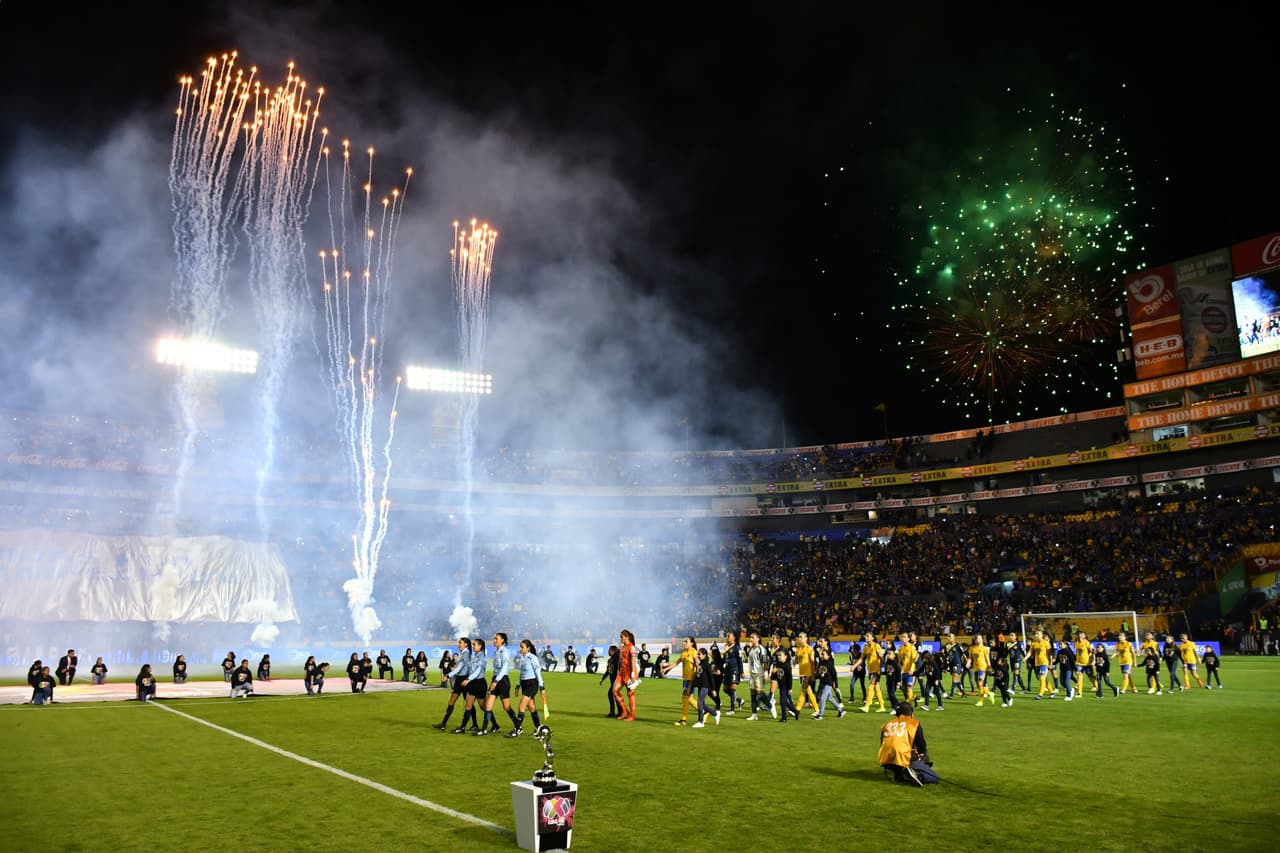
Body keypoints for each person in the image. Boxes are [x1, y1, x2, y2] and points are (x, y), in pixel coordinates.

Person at [877, 702, 937, 786]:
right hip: (903, 757)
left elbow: (882, 742)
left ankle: (898, 773)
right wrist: (921, 755)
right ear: (911, 713)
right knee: (933, 777)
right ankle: (915, 773)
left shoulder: (887, 724)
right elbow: (921, 745)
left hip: (886, 759)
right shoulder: (913, 723)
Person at [477, 632, 520, 736]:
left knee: (506, 706)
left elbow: (505, 667)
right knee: (488, 706)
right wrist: (494, 680)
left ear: (503, 640)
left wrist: (495, 681)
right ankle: (484, 729)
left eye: (496, 639)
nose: (494, 640)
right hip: (495, 679)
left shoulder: (505, 651)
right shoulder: (496, 652)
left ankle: (518, 726)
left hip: (502, 681)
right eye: (494, 638)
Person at [507, 639, 545, 738]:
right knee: (531, 707)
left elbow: (538, 673)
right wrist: (517, 686)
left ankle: (517, 729)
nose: (520, 649)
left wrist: (542, 687)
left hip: (532, 684)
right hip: (524, 684)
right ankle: (538, 729)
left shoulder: (533, 658)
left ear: (528, 648)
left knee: (521, 707)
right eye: (520, 646)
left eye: (522, 647)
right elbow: (521, 673)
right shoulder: (523, 658)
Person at [451, 637, 488, 733]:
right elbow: (470, 670)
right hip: (473, 683)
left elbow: (477, 671)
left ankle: (495, 725)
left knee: (484, 707)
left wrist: (467, 679)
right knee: (468, 706)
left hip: (479, 683)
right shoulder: (474, 657)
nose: (473, 646)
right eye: (473, 644)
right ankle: (462, 728)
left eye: (475, 644)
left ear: (480, 646)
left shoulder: (482, 658)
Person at [433, 637, 471, 730]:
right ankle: (443, 724)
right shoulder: (464, 653)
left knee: (468, 704)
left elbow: (462, 667)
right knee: (459, 702)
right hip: (460, 679)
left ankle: (445, 724)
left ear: (466, 644)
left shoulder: (466, 653)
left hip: (463, 680)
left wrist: (448, 675)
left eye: (460, 643)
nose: (458, 644)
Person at [613, 628, 640, 721]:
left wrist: (633, 675)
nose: (620, 639)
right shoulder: (622, 647)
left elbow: (633, 661)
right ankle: (624, 711)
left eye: (622, 637)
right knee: (615, 690)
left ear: (627, 637)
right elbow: (621, 662)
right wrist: (618, 672)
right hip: (622, 672)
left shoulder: (631, 647)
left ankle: (632, 715)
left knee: (630, 693)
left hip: (629, 673)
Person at [856, 631, 887, 713]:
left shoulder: (876, 646)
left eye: (868, 636)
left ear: (872, 638)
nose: (866, 637)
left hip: (876, 670)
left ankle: (867, 706)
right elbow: (862, 659)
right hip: (870, 670)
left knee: (871, 686)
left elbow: (881, 657)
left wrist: (882, 667)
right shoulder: (866, 647)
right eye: (866, 636)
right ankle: (882, 706)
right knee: (876, 688)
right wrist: (855, 666)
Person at [690, 647, 720, 728]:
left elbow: (711, 677)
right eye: (698, 654)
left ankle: (700, 722)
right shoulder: (700, 664)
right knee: (702, 704)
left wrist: (713, 689)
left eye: (699, 654)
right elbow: (699, 675)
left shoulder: (706, 664)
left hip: (705, 686)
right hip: (700, 686)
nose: (698, 655)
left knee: (699, 703)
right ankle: (715, 713)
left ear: (704, 655)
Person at [812, 646, 845, 720]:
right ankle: (840, 710)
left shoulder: (830, 664)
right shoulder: (821, 662)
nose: (822, 655)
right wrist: (815, 677)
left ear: (828, 656)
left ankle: (820, 715)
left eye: (824, 654)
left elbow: (834, 674)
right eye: (822, 654)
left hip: (828, 683)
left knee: (823, 698)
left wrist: (836, 685)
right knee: (830, 698)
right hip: (822, 683)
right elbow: (819, 673)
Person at [770, 645, 801, 723]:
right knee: (785, 702)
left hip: (786, 687)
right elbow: (774, 677)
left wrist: (790, 688)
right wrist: (773, 672)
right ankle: (796, 711)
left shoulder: (787, 666)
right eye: (778, 656)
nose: (779, 657)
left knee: (782, 702)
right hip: (781, 686)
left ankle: (784, 718)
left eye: (781, 655)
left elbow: (790, 678)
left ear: (786, 656)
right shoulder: (777, 665)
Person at [793, 632, 819, 712]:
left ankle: (797, 709)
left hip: (808, 673)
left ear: (806, 638)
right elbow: (796, 661)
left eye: (801, 637)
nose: (799, 638)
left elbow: (813, 662)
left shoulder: (809, 649)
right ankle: (817, 709)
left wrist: (813, 674)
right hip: (802, 673)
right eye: (799, 637)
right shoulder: (798, 649)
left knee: (803, 690)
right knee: (808, 691)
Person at [1027, 630, 1055, 700]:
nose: (1036, 635)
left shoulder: (1046, 643)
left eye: (1038, 633)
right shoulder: (1034, 643)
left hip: (1044, 663)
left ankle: (1040, 694)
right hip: (1037, 664)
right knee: (1043, 679)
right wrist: (1025, 658)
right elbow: (1030, 652)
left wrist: (1051, 663)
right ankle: (1052, 692)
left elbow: (1050, 654)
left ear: (1042, 635)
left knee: (1042, 678)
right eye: (1035, 634)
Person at [968, 634, 995, 706]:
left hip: (983, 667)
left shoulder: (984, 648)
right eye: (978, 639)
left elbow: (987, 658)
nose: (979, 640)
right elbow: (970, 658)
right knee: (978, 685)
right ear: (975, 640)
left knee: (980, 683)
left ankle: (981, 701)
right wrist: (968, 663)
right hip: (975, 668)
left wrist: (989, 666)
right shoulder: (971, 648)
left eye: (980, 638)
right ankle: (990, 693)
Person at [722, 631, 744, 712]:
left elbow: (740, 660)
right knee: (725, 689)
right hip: (726, 671)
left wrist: (741, 672)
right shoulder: (726, 646)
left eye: (728, 636)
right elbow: (724, 659)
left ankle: (732, 709)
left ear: (734, 638)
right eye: (727, 636)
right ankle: (739, 700)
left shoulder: (736, 648)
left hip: (734, 670)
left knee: (732, 689)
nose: (727, 637)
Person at [602, 644, 621, 717]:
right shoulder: (610, 660)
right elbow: (608, 671)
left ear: (613, 651)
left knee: (611, 694)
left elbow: (618, 671)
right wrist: (603, 678)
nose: (608, 651)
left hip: (616, 681)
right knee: (615, 696)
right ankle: (619, 712)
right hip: (612, 681)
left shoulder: (616, 660)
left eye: (609, 650)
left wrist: (618, 680)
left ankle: (614, 712)